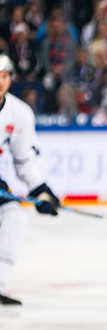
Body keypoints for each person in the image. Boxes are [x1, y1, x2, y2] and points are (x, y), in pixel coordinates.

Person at [0, 53, 62, 307]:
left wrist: (41, 190)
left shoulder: (19, 113)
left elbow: (24, 159)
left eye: (4, 76)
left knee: (14, 216)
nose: (0, 81)